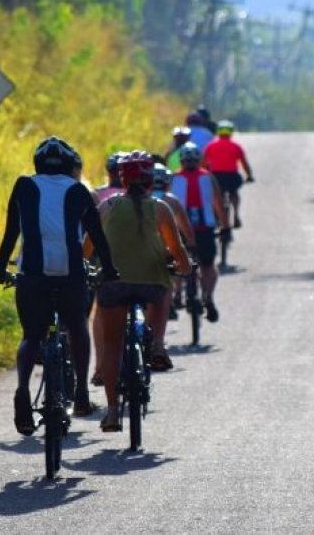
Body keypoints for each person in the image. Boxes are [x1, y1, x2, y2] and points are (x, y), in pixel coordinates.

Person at [0, 136, 118, 436]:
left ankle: (22, 389)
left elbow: (11, 232)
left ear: (37, 164)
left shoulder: (24, 186)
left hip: (32, 272)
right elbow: (97, 236)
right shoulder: (78, 190)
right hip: (70, 272)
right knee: (76, 326)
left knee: (31, 336)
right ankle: (82, 391)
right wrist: (109, 269)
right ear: (69, 166)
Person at [87, 151, 192, 431]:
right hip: (151, 283)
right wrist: (184, 267)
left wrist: (85, 268)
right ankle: (157, 343)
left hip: (113, 283)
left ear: (122, 179)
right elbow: (176, 248)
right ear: (149, 180)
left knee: (112, 346)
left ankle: (111, 412)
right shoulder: (160, 208)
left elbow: (86, 248)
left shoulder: (107, 207)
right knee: (162, 288)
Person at [171, 142, 230, 323]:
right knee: (208, 265)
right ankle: (208, 297)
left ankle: (177, 295)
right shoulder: (209, 178)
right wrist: (225, 226)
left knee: (175, 263)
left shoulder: (173, 179)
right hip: (205, 228)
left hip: (179, 229)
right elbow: (218, 204)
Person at [150, 163, 196, 362]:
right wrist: (192, 245)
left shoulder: (125, 202)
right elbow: (185, 232)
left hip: (133, 259)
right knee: (165, 284)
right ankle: (158, 344)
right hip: (163, 255)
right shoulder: (170, 201)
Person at [203, 119, 254, 228]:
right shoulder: (236, 146)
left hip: (216, 176)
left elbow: (203, 163)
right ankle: (235, 214)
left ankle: (216, 215)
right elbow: (244, 164)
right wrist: (249, 176)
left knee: (215, 196)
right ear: (231, 132)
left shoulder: (211, 146)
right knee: (234, 193)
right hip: (231, 175)